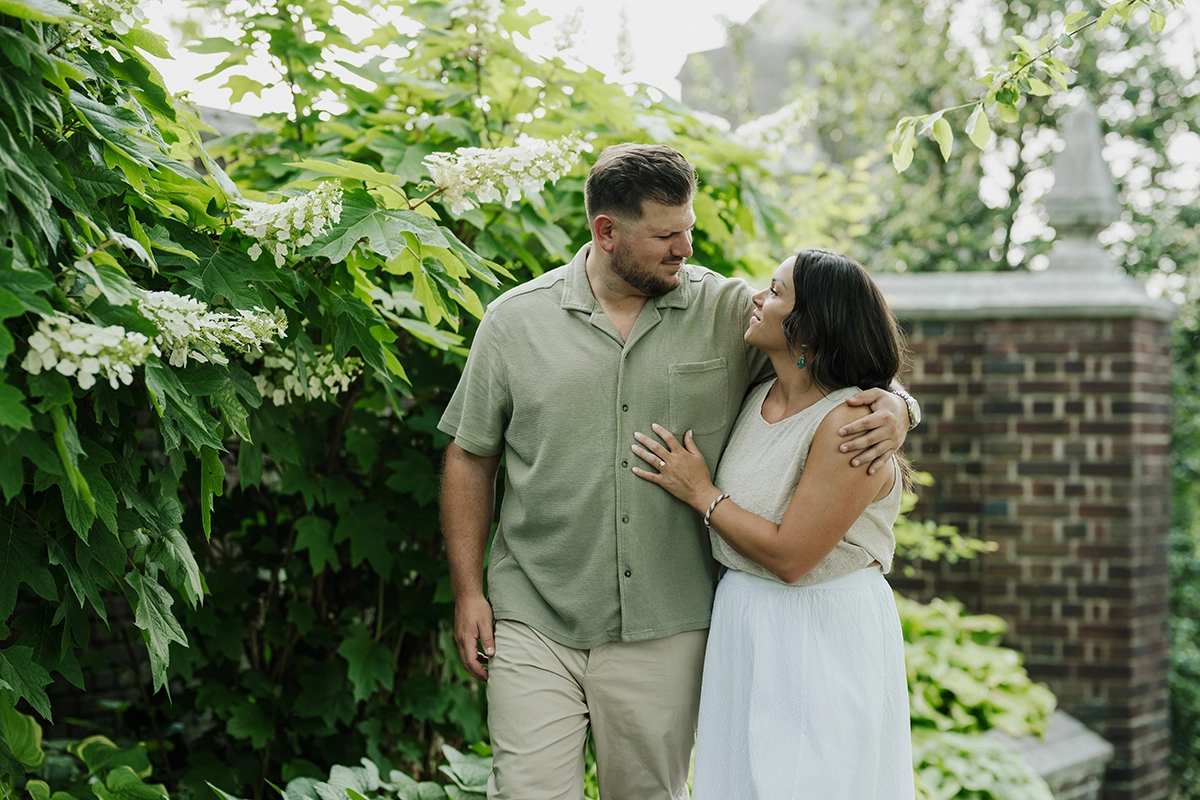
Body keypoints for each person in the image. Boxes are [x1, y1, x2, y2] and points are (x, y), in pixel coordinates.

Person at [437, 144, 917, 800]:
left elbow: (833, 373)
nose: (684, 248)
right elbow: (471, 454)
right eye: (666, 235)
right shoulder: (514, 322)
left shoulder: (728, 315)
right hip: (534, 616)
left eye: (687, 229)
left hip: (669, 625)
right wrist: (469, 592)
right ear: (608, 233)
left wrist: (898, 407)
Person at [630, 248, 915, 799]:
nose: (756, 299)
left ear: (808, 328)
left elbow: (792, 557)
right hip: (746, 622)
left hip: (818, 630)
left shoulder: (851, 423)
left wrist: (702, 493)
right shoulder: (759, 393)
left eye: (777, 292)